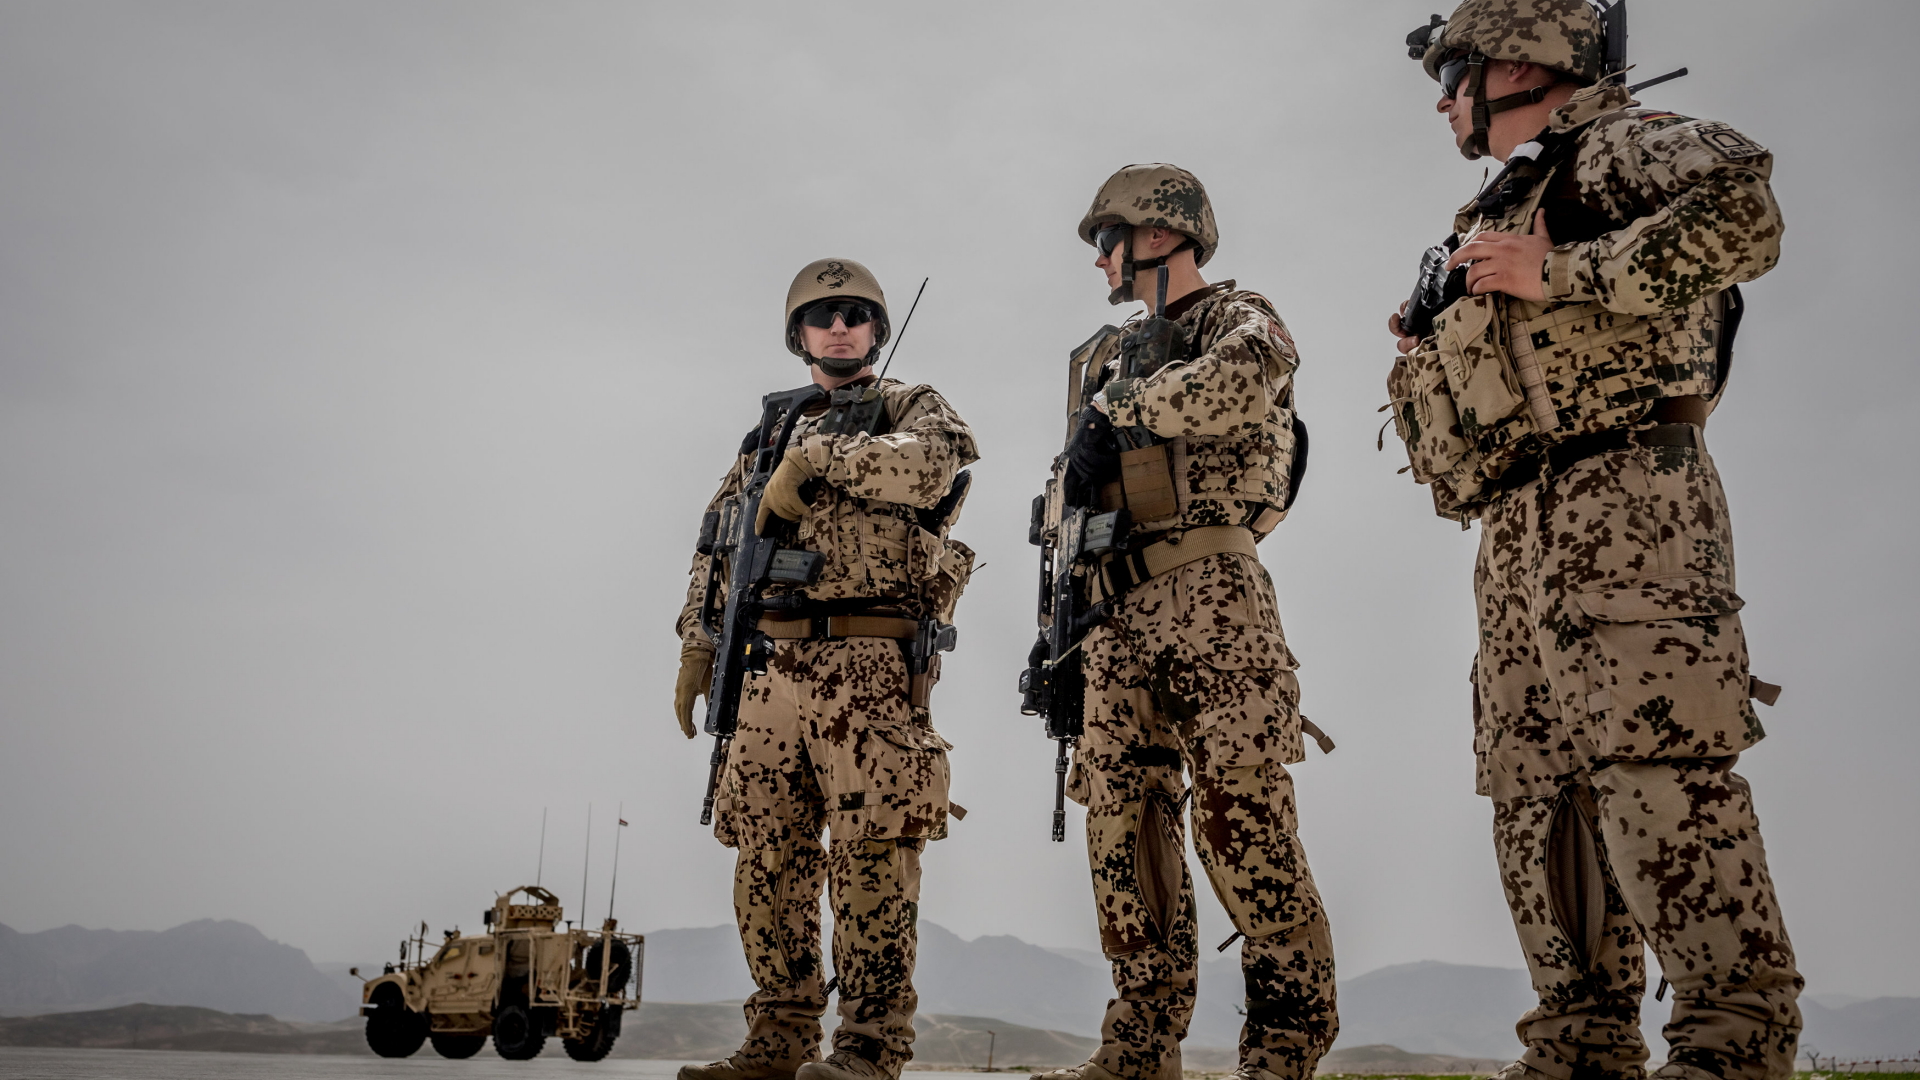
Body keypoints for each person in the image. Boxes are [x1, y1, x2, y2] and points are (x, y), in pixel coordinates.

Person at [1386, 4, 1801, 1079]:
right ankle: (1579, 1044)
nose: (1444, 100)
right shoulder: (1511, 197)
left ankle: (1733, 1046)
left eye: (1456, 74)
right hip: (1522, 521)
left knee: (1656, 768)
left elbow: (1744, 214)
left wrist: (1556, 277)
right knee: (1537, 790)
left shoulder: (1616, 145)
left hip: (1629, 501)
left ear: (1524, 63)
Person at [1032, 164, 1337, 1080]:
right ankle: (1138, 1047)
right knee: (1123, 830)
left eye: (1106, 242)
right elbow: (1070, 500)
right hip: (1113, 616)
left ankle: (1281, 1052)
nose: (1100, 263)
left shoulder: (1239, 319)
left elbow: (1241, 385)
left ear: (1159, 234)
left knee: (1244, 820)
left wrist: (1116, 409)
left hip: (1212, 598)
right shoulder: (1109, 352)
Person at [672, 258, 979, 1080]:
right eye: (822, 316)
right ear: (798, 334)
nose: (839, 326)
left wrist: (816, 463)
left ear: (876, 329)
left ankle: (871, 1048)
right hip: (770, 663)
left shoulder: (909, 405)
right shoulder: (764, 432)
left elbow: (932, 464)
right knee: (766, 855)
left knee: (873, 855)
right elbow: (719, 544)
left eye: (854, 314)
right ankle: (778, 1036)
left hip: (868, 659)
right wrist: (697, 644)